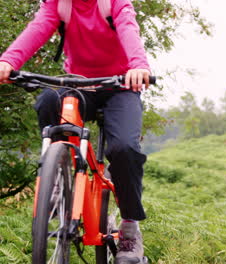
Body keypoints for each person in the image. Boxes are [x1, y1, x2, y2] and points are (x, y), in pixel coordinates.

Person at [0, 0, 151, 263]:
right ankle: (59, 179)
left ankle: (129, 228)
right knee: (48, 100)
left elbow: (128, 27)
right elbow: (36, 29)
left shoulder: (113, 3)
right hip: (79, 84)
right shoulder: (58, 5)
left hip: (120, 86)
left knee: (124, 148)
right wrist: (8, 61)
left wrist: (138, 65)